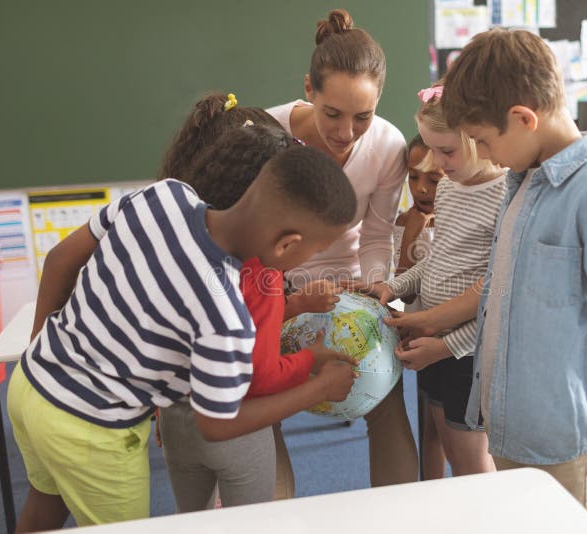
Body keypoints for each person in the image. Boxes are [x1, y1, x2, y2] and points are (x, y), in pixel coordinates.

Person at [6, 144, 358, 531]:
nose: (309, 259)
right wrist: (318, 389)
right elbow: (217, 424)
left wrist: (45, 357)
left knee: (44, 510)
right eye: (316, 249)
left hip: (29, 383)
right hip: (91, 429)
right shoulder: (224, 313)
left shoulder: (163, 194)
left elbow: (59, 259)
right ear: (287, 243)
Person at [442, 28, 587, 518]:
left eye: (483, 140)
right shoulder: (520, 182)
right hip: (508, 423)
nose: (484, 155)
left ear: (523, 118)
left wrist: (580, 359)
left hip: (561, 433)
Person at [155, 98, 357, 512]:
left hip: (175, 418)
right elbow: (260, 377)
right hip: (236, 426)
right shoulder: (262, 273)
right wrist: (312, 370)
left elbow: (215, 329)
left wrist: (297, 303)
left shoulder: (183, 241)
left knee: (190, 519)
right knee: (254, 520)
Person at [267, 8, 417, 495]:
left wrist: (375, 285)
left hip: (351, 280)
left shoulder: (389, 144)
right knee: (259, 408)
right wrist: (280, 294)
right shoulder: (268, 135)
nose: (346, 133)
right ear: (309, 89)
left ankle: (398, 521)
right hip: (275, 278)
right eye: (332, 113)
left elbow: (377, 234)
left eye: (363, 117)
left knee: (385, 394)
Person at [353, 82, 505, 479]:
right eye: (432, 150)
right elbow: (437, 262)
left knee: (469, 458)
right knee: (443, 441)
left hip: (465, 350)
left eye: (447, 151)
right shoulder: (452, 187)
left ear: (476, 136)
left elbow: (500, 298)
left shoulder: (505, 194)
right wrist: (394, 287)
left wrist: (446, 346)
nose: (438, 162)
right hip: (432, 340)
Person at [392, 135, 440, 281]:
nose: (421, 188)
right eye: (413, 177)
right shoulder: (404, 222)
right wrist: (410, 235)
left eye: (434, 180)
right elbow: (406, 296)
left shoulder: (464, 221)